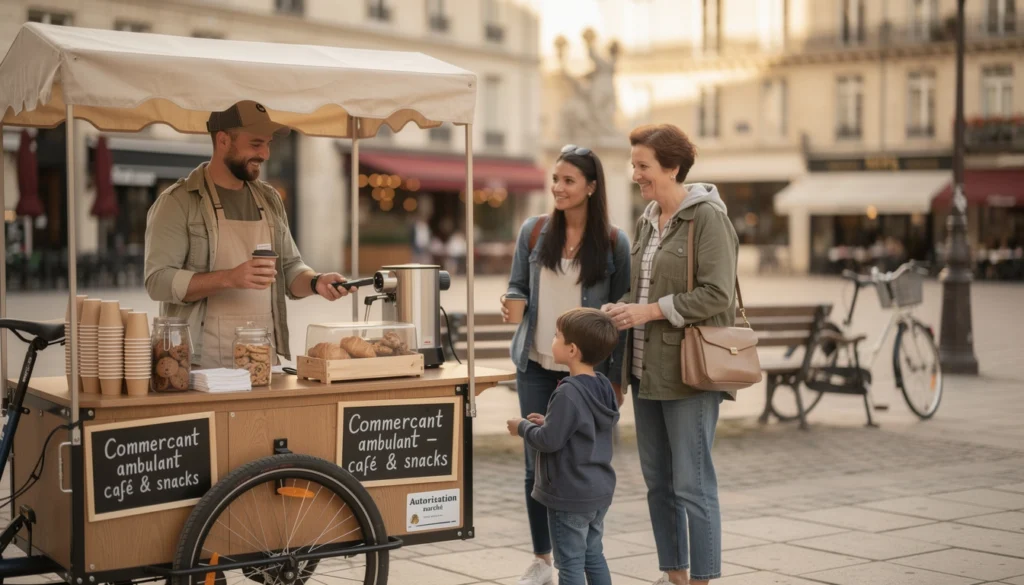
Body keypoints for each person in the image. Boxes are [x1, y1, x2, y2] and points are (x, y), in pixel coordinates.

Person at [603, 124, 739, 585]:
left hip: (689, 374)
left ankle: (702, 580)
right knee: (659, 484)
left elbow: (717, 294)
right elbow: (644, 289)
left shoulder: (707, 218)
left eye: (643, 166)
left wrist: (648, 311)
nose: (635, 174)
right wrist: (624, 308)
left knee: (693, 485)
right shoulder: (647, 219)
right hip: (645, 372)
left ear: (672, 167)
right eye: (634, 165)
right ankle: (675, 576)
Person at [144, 100, 357, 369]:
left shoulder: (270, 199)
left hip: (260, 362)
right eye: (256, 144)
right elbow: (157, 281)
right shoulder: (178, 202)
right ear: (223, 140)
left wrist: (316, 282)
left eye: (268, 144)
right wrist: (229, 278)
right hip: (198, 366)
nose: (266, 154)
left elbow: (290, 268)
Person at [502, 144, 630, 585]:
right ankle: (543, 560)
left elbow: (621, 315)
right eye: (555, 179)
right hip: (538, 361)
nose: (558, 187)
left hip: (588, 370)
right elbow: (518, 286)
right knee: (535, 462)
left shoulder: (614, 242)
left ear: (591, 187)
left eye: (569, 180)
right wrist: (512, 303)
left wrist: (615, 380)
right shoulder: (534, 232)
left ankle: (583, 551)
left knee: (584, 461)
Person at [506, 308, 620, 585]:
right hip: (597, 491)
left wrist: (522, 427)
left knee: (569, 563)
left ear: (572, 350)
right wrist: (549, 421)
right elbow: (581, 428)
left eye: (557, 336)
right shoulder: (603, 386)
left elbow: (549, 441)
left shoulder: (568, 391)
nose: (552, 341)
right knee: (593, 555)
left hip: (569, 494)